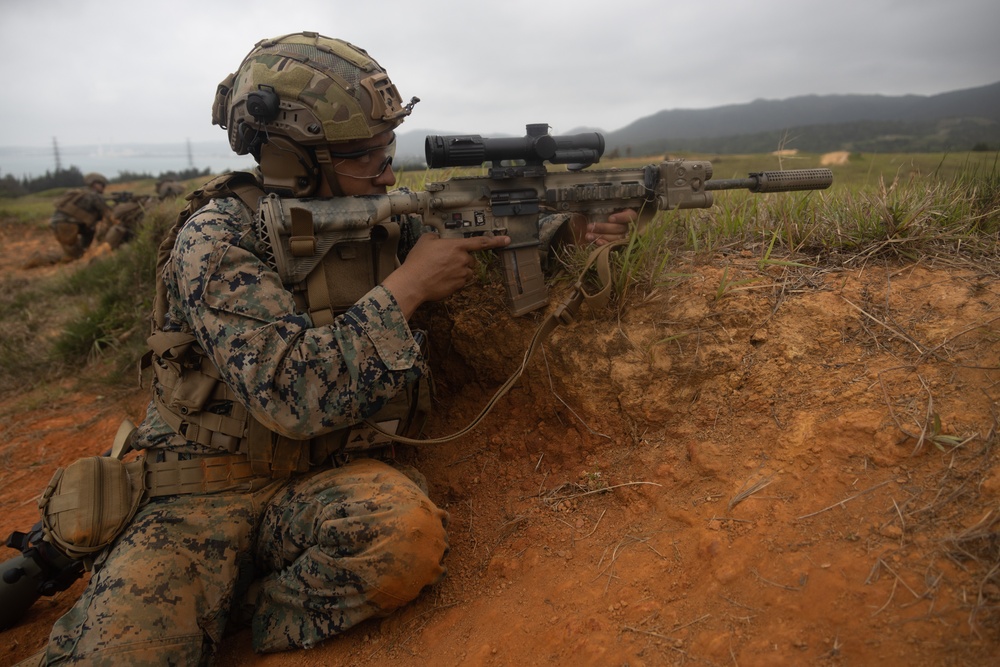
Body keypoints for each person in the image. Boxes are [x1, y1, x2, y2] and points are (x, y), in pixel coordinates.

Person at [26, 31, 630, 665]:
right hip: (195, 492)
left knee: (405, 543)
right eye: (364, 156)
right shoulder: (215, 237)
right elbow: (290, 395)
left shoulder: (377, 211)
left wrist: (572, 230)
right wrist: (409, 286)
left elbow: (491, 244)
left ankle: (229, 608)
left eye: (387, 148)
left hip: (323, 483)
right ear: (291, 156)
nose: (388, 171)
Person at [49, 172, 114, 261]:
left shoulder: (82, 193)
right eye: (102, 184)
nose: (104, 187)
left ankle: (82, 250)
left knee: (90, 230)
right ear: (94, 184)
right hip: (66, 225)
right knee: (72, 256)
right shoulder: (94, 195)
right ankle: (39, 258)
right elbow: (108, 213)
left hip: (61, 223)